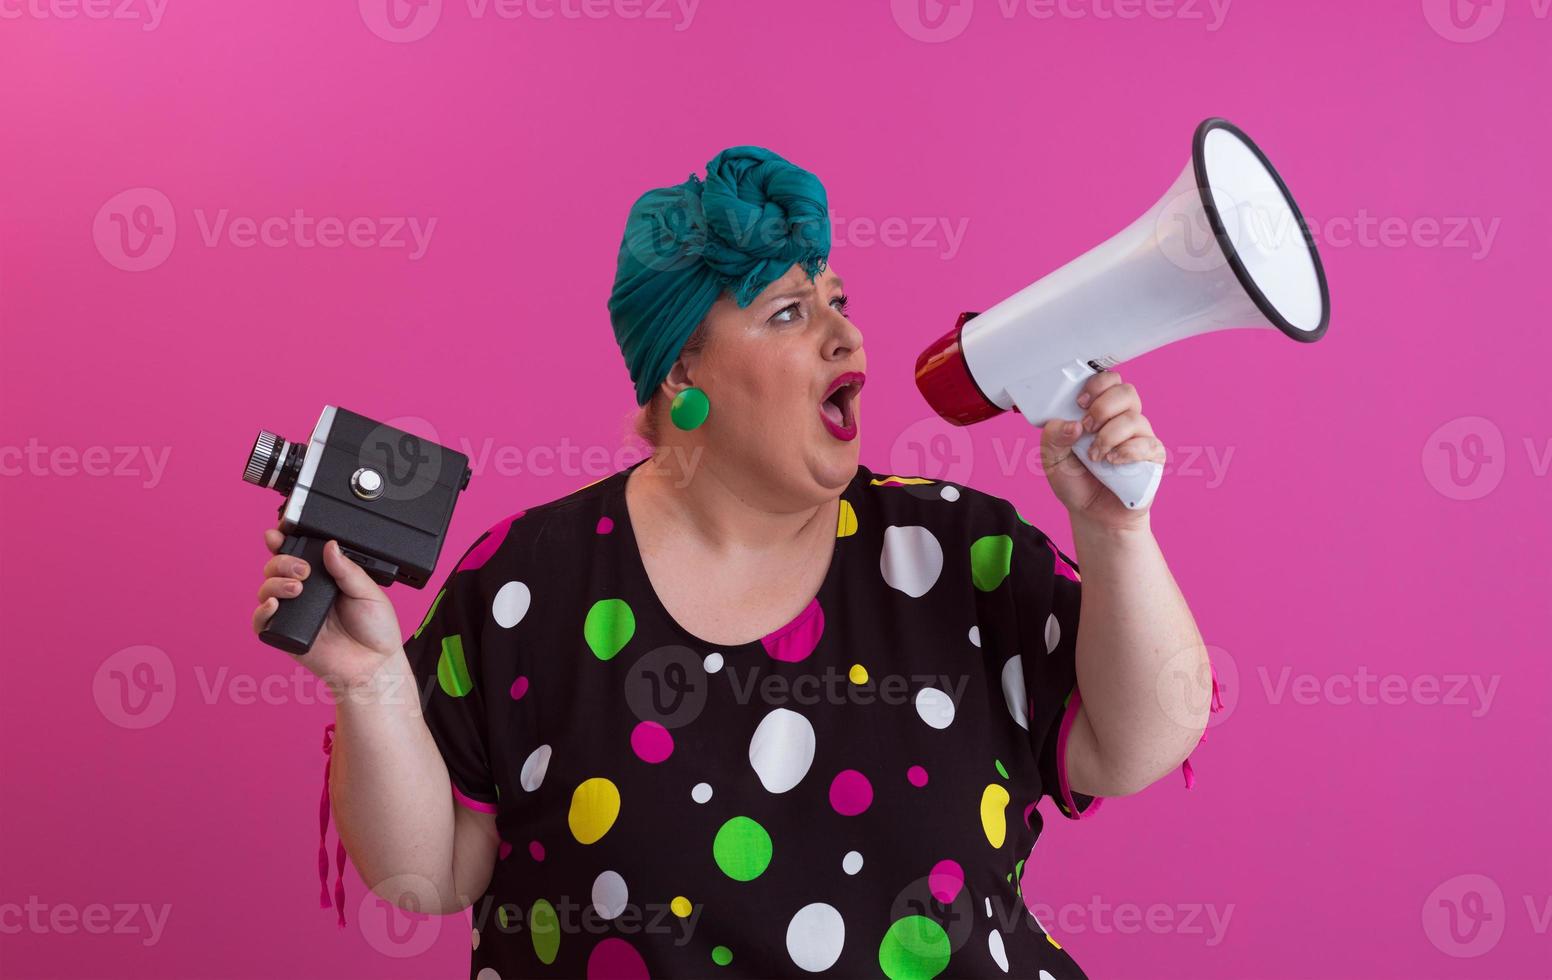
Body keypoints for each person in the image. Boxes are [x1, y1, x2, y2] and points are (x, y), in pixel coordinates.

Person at [252, 146, 1220, 979]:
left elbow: (1129, 745)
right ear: (681, 371)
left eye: (837, 299)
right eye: (789, 312)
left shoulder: (957, 550)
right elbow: (429, 873)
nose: (847, 334)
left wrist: (1115, 530)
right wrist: (373, 680)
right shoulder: (523, 585)